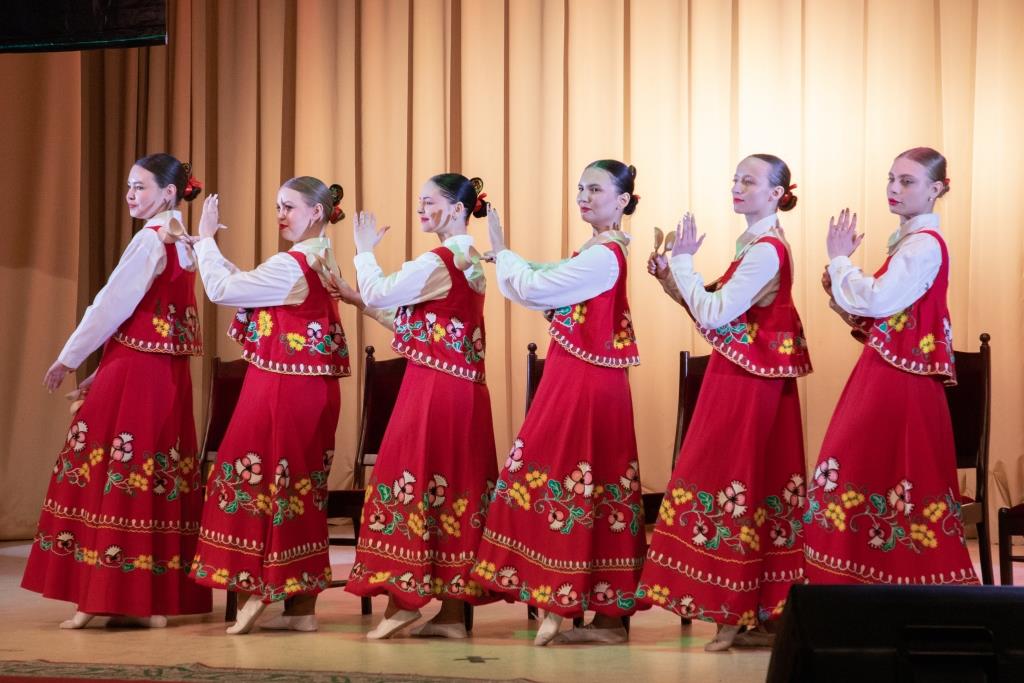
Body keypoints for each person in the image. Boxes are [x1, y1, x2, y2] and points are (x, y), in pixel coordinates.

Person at [22, 153, 211, 628]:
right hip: (166, 376)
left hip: (137, 374)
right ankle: (147, 600)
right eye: (129, 186)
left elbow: (111, 305)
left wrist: (69, 357)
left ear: (168, 193)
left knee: (110, 466)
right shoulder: (186, 244)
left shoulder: (151, 241)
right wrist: (100, 368)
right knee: (151, 472)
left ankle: (99, 597)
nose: (130, 195)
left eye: (140, 186)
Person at [638, 154, 811, 651]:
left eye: (748, 181)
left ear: (776, 193)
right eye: (735, 179)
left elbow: (714, 311)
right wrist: (672, 277)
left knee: (734, 482)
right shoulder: (755, 246)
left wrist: (684, 263)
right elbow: (711, 303)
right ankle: (757, 612)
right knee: (749, 486)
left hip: (748, 386)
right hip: (743, 378)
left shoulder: (766, 251)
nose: (737, 186)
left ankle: (735, 610)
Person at [472, 160, 646, 646]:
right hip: (578, 375)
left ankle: (582, 605)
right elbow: (540, 278)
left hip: (586, 383)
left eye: (596, 190)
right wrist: (508, 257)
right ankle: (589, 609)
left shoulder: (605, 256)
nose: (584, 197)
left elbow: (535, 287)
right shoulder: (594, 252)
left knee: (576, 476)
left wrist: (505, 252)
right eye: (581, 188)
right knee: (576, 480)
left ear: (622, 201)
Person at [804, 147, 977, 587]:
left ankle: (888, 588)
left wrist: (841, 261)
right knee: (867, 475)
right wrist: (841, 283)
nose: (893, 189)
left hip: (900, 381)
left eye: (907, 181)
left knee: (870, 472)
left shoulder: (923, 245)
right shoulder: (909, 242)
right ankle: (863, 586)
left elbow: (880, 300)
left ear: (936, 189)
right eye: (891, 179)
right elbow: (886, 314)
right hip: (887, 372)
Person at [188, 177, 353, 634]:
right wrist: (209, 249)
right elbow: (250, 285)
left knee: (251, 478)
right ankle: (300, 608)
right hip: (312, 389)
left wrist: (206, 239)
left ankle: (256, 589)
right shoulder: (320, 258)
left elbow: (223, 290)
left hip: (283, 387)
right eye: (278, 206)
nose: (280, 215)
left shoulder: (292, 265)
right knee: (298, 490)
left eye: (289, 207)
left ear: (316, 212)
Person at [342, 174, 497, 640]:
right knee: (453, 490)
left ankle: (401, 601)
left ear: (457, 209)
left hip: (433, 389)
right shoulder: (469, 259)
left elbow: (381, 291)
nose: (421, 209)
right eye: (420, 202)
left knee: (407, 478)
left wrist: (364, 251)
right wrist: (360, 300)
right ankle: (450, 615)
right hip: (463, 391)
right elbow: (424, 322)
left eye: (429, 202)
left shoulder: (440, 259)